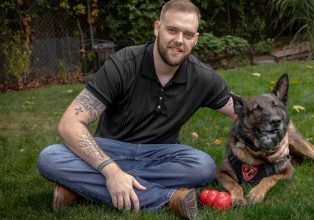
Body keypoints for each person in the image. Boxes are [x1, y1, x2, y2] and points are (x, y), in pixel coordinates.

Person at [37, 0, 286, 218]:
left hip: (162, 156)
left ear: (195, 39)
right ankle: (168, 199)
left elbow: (248, 112)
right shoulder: (123, 63)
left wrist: (282, 137)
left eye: (188, 34)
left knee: (202, 165)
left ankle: (81, 188)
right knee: (50, 157)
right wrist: (111, 171)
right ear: (157, 28)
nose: (179, 40)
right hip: (111, 149)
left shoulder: (203, 78)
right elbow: (69, 124)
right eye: (172, 30)